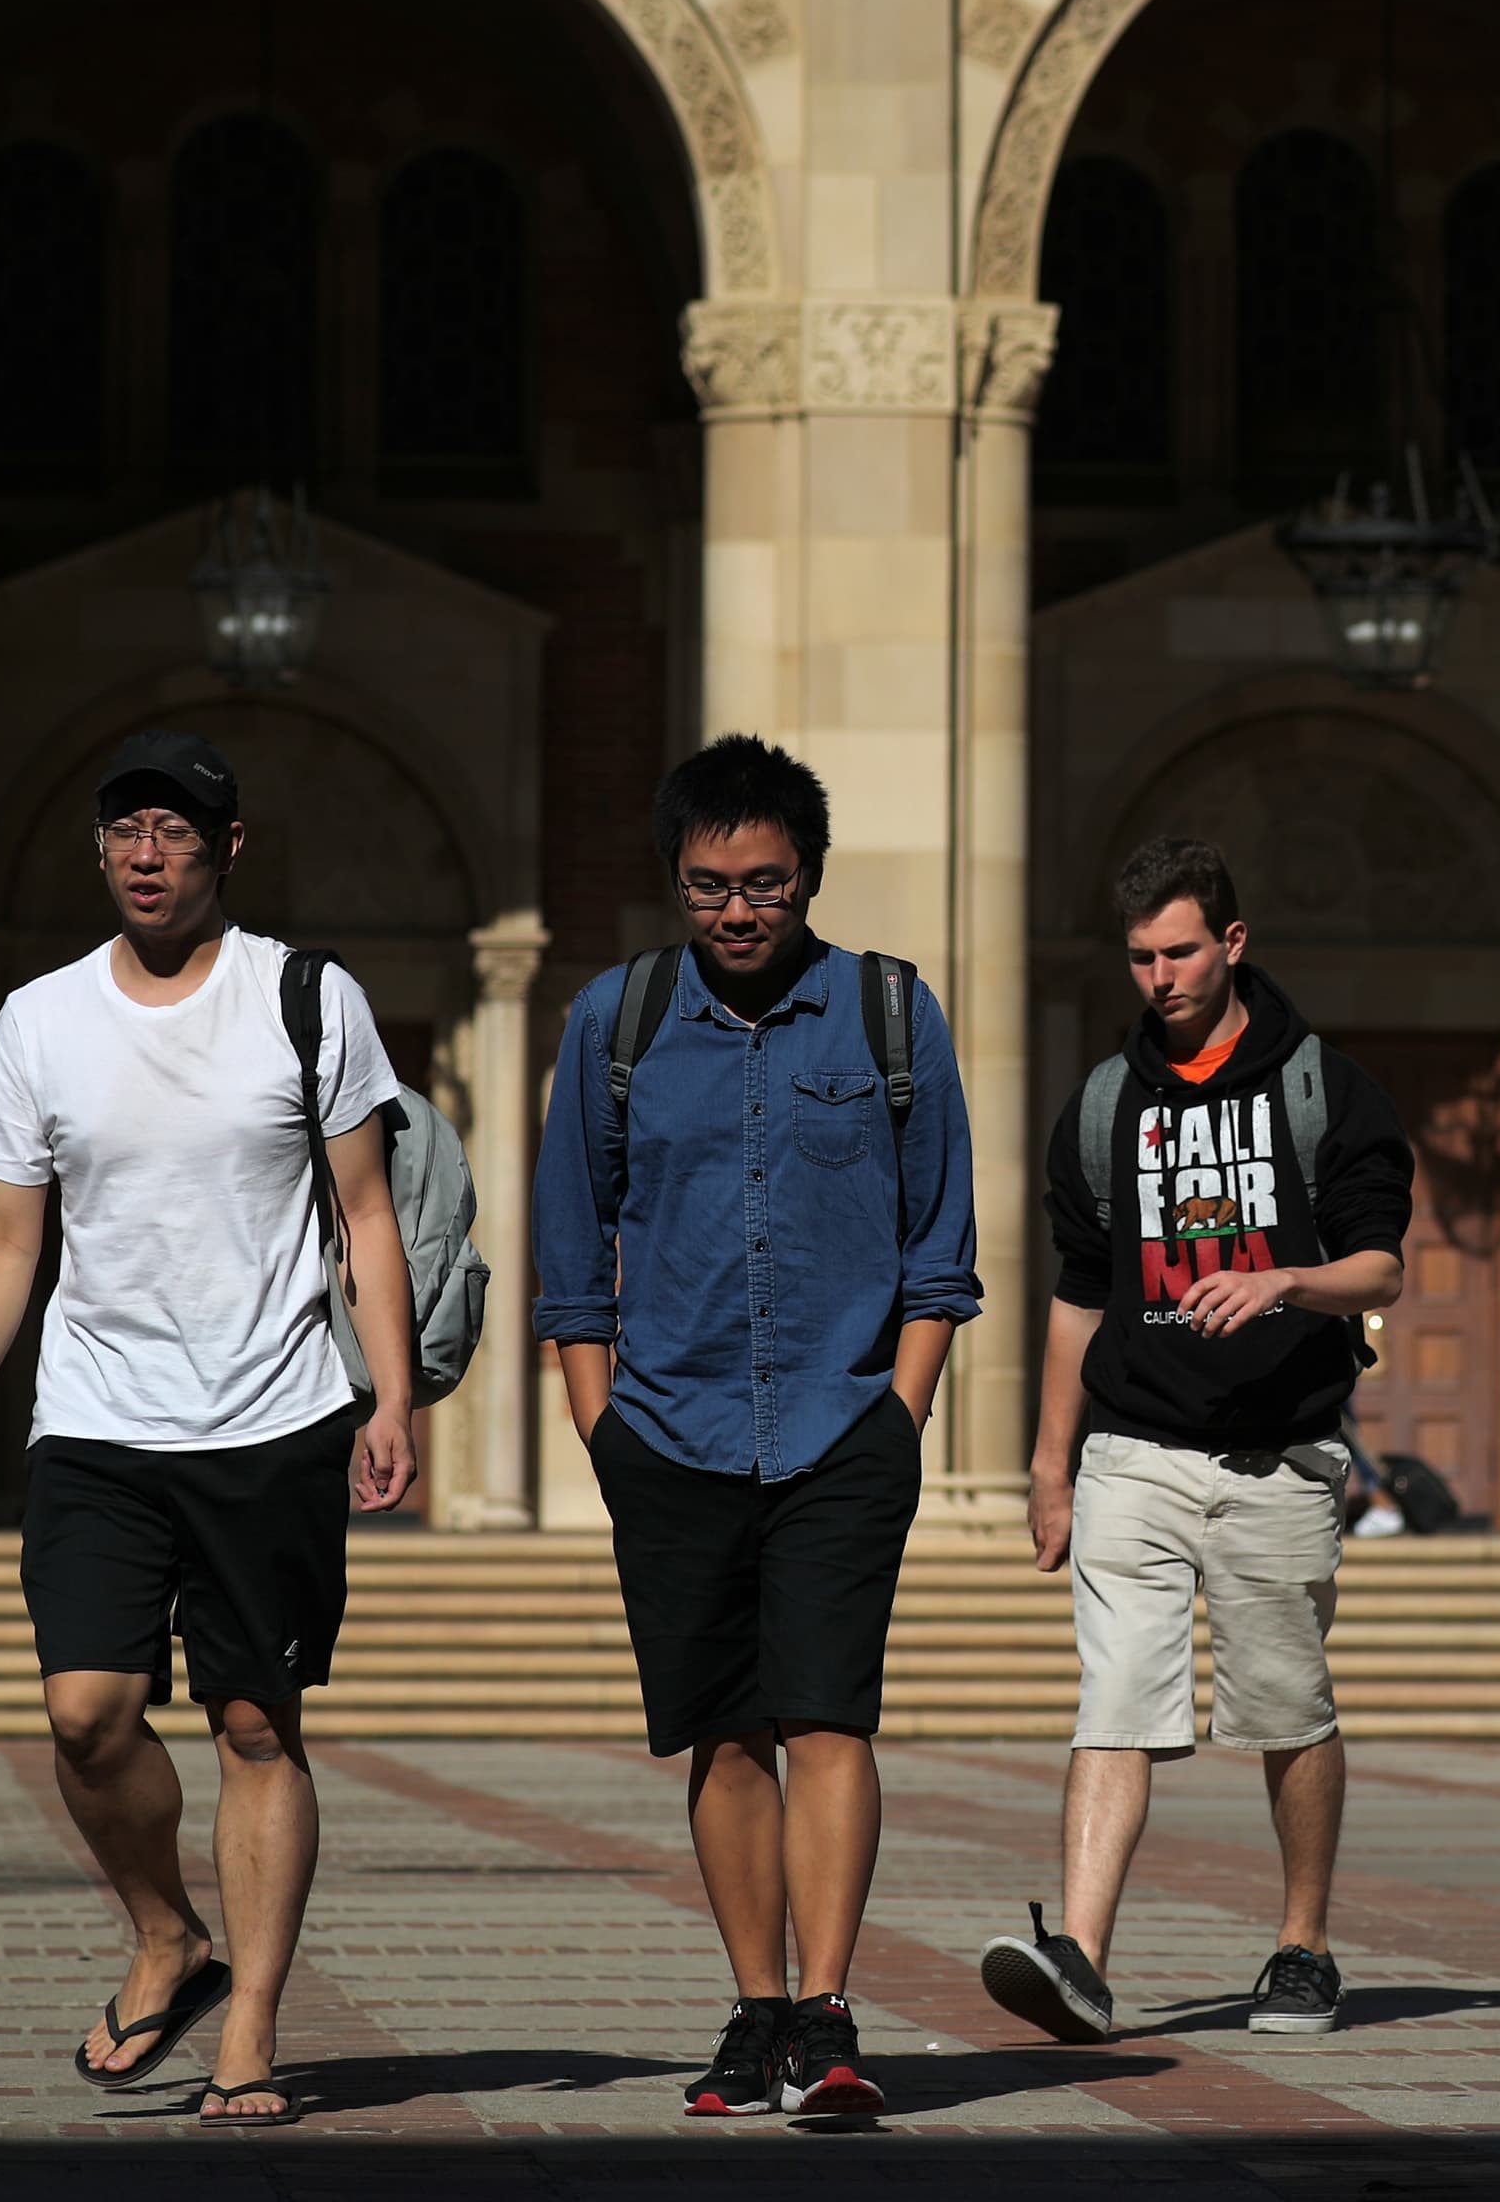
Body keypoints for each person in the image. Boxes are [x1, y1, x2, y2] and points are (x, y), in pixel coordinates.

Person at [0, 729, 423, 2125]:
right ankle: (164, 1934)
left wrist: (390, 1393)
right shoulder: (41, 1019)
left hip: (274, 1418)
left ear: (228, 848)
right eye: (125, 828)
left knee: (258, 1723)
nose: (148, 852)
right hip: (96, 1421)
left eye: (178, 830)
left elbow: (366, 1214)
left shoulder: (306, 1000)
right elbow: (4, 1243)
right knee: (87, 1716)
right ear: (100, 849)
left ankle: (248, 2024)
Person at [530, 735, 978, 2118]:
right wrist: (606, 1436)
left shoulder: (891, 1015)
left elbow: (940, 1252)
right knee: (726, 1735)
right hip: (670, 1436)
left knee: (828, 1718)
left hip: (844, 1429)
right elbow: (569, 1258)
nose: (737, 910)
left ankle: (832, 2021)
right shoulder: (617, 1020)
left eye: (765, 884)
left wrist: (897, 1422)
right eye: (710, 884)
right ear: (677, 880)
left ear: (809, 879)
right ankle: (757, 2011)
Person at [980, 838, 1411, 2045]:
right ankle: (1082, 1954)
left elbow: (1382, 1264)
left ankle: (1303, 1943)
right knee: (1114, 1699)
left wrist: (1288, 1280)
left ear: (1231, 942)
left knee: (1286, 1706)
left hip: (1280, 1451)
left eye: (1178, 950)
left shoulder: (1323, 1088)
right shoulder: (1107, 1105)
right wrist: (1049, 1463)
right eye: (1138, 957)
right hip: (1135, 1449)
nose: (1158, 976)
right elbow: (1076, 1296)